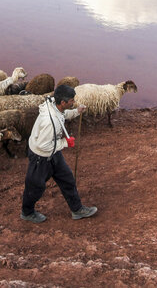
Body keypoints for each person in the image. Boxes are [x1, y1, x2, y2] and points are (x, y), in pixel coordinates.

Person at [20, 84, 98, 223]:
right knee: (35, 186)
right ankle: (27, 212)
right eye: (71, 101)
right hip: (41, 157)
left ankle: (77, 209)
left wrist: (76, 111)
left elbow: (62, 114)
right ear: (63, 102)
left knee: (67, 179)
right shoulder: (51, 122)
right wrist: (65, 143)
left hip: (53, 153)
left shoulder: (55, 106)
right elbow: (43, 145)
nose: (73, 102)